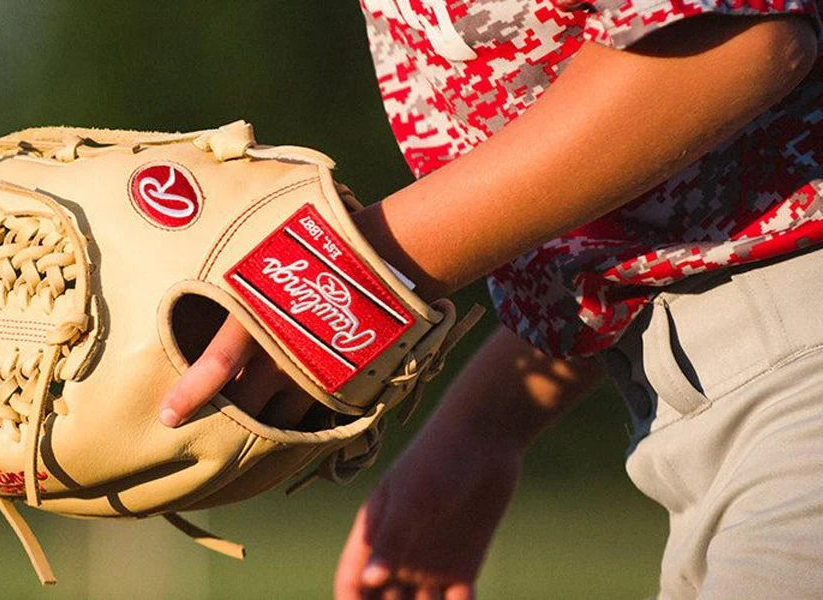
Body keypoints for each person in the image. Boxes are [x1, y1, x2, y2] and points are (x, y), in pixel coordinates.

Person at [159, 0, 823, 597]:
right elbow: (658, 211)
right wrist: (481, 428)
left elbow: (734, 36)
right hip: (694, 414)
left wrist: (349, 269)